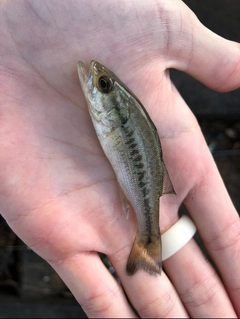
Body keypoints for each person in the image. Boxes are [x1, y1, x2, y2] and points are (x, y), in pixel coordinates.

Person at [0, 0, 239, 317]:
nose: (94, 79)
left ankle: (148, 241)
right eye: (103, 83)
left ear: (117, 114)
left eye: (102, 85)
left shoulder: (116, 120)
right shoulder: (111, 118)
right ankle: (148, 242)